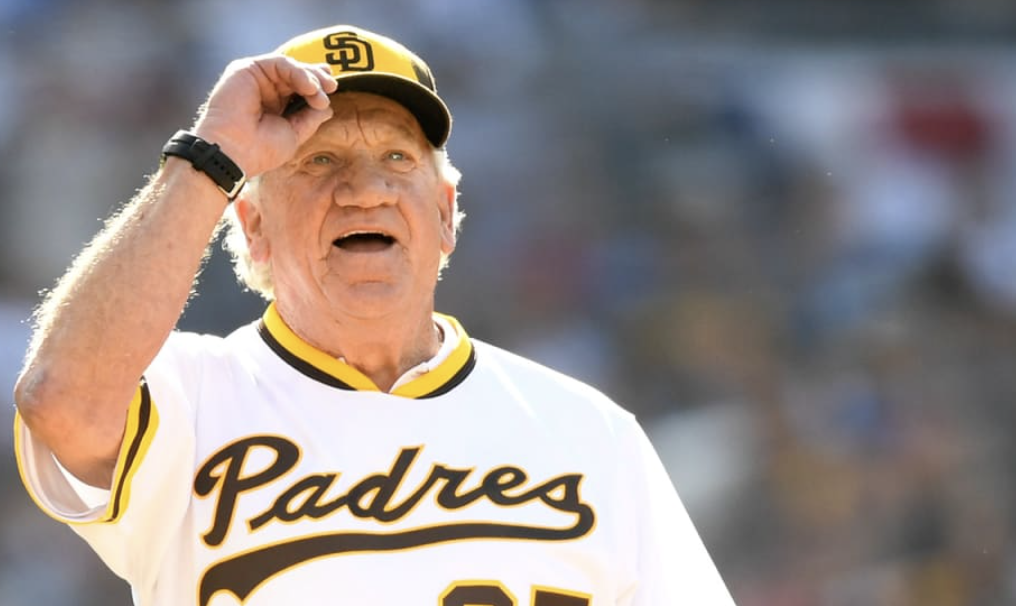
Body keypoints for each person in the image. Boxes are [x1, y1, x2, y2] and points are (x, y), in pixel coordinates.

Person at [13, 24, 736, 606]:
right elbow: (59, 399)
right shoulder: (188, 397)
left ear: (446, 214)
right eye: (319, 161)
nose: (366, 190)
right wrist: (210, 155)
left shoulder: (589, 432)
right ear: (253, 228)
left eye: (397, 158)